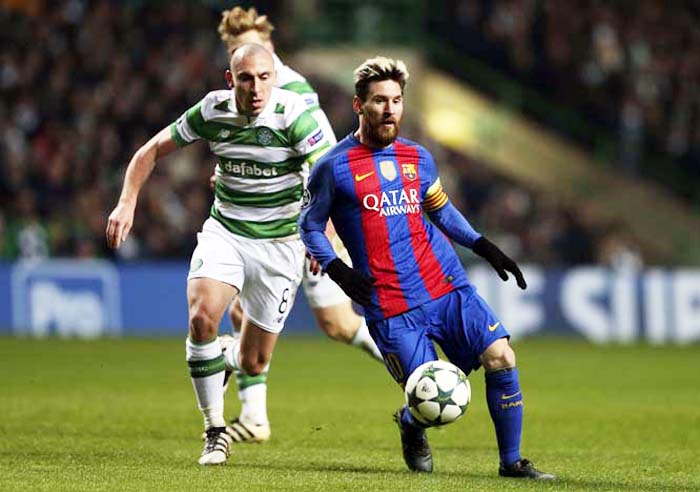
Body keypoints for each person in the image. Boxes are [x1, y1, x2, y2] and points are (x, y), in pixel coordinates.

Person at [299, 56, 555, 480]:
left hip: (445, 286)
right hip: (390, 305)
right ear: (359, 104)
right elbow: (308, 226)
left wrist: (483, 245)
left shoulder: (418, 158)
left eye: (396, 100)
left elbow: (442, 209)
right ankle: (410, 423)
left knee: (502, 356)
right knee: (429, 401)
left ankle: (512, 463)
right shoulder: (333, 167)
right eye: (379, 100)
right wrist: (337, 270)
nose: (389, 109)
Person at [106, 44, 331, 465]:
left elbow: (328, 179)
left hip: (281, 247)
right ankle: (214, 430)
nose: (256, 87)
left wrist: (321, 235)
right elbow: (151, 149)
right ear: (231, 81)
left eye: (264, 77)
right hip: (226, 233)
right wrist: (127, 201)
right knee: (201, 316)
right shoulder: (212, 111)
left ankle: (226, 356)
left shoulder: (294, 116)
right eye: (246, 78)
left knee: (252, 360)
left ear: (275, 79)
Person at [214, 5, 382, 444]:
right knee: (331, 324)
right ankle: (254, 416)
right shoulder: (246, 87)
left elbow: (320, 160)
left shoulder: (290, 89)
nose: (247, 54)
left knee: (334, 325)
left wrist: (322, 227)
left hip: (298, 226)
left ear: (269, 45)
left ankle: (414, 366)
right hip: (278, 223)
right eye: (236, 49)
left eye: (254, 45)